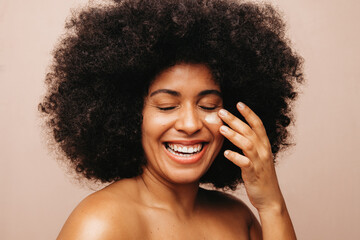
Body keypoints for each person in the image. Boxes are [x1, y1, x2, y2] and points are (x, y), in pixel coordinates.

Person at [39, 0, 303, 239]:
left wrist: (271, 205)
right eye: (167, 106)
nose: (190, 124)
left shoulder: (238, 218)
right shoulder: (101, 224)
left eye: (208, 105)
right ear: (130, 116)